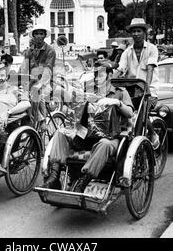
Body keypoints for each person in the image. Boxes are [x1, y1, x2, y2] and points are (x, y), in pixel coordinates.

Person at [42, 64, 134, 192]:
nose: (96, 78)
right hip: (88, 133)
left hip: (111, 135)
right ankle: (54, 176)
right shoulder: (90, 90)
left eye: (100, 75)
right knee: (61, 133)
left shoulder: (120, 92)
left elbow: (130, 113)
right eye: (95, 75)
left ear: (109, 75)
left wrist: (117, 103)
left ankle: (83, 182)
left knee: (105, 144)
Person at [113, 17, 160, 149]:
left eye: (139, 31)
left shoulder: (152, 49)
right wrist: (111, 83)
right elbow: (120, 68)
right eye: (133, 31)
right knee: (127, 113)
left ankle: (153, 133)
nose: (136, 34)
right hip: (132, 89)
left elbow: (150, 69)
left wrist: (148, 89)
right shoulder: (127, 52)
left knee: (141, 115)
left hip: (149, 88)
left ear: (144, 32)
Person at [21, 24, 56, 127]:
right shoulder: (28, 51)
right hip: (31, 82)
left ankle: (42, 120)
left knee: (36, 94)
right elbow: (24, 68)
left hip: (46, 83)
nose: (39, 36)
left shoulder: (50, 51)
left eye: (41, 33)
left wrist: (40, 84)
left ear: (45, 35)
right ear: (33, 36)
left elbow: (48, 70)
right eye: (36, 33)